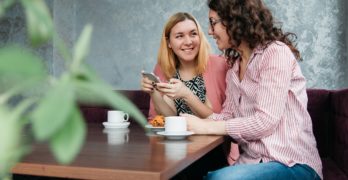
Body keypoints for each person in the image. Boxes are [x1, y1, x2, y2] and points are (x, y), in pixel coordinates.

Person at [182, 0, 323, 179]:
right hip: (253, 162)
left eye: (213, 22)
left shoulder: (275, 53)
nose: (209, 31)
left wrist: (205, 127)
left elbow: (265, 121)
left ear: (235, 19)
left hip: (292, 164)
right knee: (188, 171)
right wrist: (193, 122)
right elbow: (228, 117)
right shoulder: (234, 69)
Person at [140, 12, 239, 165]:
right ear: (169, 43)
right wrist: (154, 93)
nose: (188, 41)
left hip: (215, 151)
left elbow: (223, 121)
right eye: (179, 36)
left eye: (193, 34)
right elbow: (163, 120)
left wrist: (186, 95)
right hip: (175, 151)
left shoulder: (221, 65)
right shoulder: (162, 69)